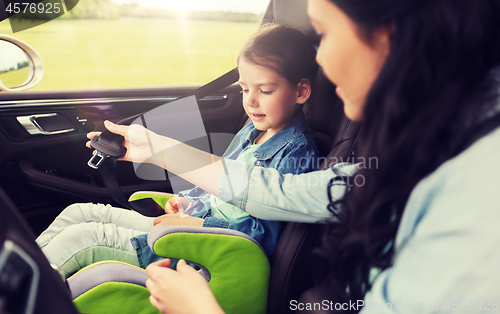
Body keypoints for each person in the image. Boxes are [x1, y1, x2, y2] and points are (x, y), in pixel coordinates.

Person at [94, 0, 500, 313]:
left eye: (323, 34)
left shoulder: (477, 200)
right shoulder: (419, 147)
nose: (320, 58)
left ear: (387, 36)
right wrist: (158, 150)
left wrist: (200, 308)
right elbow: (280, 191)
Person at [35, 24, 321, 276]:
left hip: (207, 249)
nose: (251, 102)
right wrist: (186, 203)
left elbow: (262, 236)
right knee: (79, 213)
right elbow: (218, 184)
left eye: (265, 90)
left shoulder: (295, 154)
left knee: (82, 239)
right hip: (193, 224)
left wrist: (194, 223)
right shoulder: (254, 130)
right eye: (245, 89)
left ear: (301, 92)